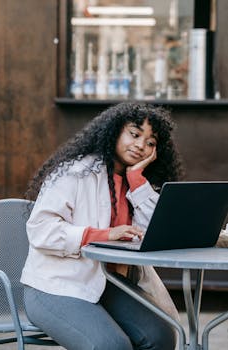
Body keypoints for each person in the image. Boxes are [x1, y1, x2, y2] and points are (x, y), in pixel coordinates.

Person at [21, 102, 183, 350]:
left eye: (151, 142)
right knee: (111, 346)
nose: (141, 146)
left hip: (107, 284)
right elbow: (41, 230)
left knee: (161, 337)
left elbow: (158, 234)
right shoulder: (76, 172)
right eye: (135, 134)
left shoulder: (137, 182)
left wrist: (137, 182)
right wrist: (104, 234)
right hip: (55, 285)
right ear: (115, 130)